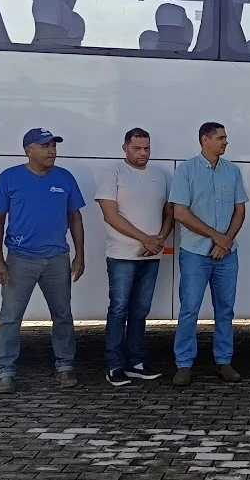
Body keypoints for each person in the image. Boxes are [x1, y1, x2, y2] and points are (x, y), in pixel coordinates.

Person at [0, 128, 86, 394]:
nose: (52, 150)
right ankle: (5, 372)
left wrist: (80, 255)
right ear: (28, 150)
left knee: (62, 315)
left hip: (57, 258)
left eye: (53, 145)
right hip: (20, 259)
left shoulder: (65, 178)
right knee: (10, 317)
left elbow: (75, 218)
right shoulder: (9, 177)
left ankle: (65, 367)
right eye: (45, 145)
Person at [170, 122, 249, 386]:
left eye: (225, 137)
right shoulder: (186, 171)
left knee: (225, 310)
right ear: (205, 139)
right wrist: (217, 237)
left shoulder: (232, 171)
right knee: (189, 309)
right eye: (221, 137)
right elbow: (180, 213)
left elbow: (240, 211)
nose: (226, 141)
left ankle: (223, 361)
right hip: (195, 252)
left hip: (227, 254)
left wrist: (225, 242)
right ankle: (184, 364)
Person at [96, 127, 173, 387]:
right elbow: (111, 215)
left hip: (151, 256)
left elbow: (170, 213)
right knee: (119, 309)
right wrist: (146, 239)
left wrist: (159, 239)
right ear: (125, 148)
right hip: (122, 255)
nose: (142, 153)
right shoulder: (113, 173)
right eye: (137, 148)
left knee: (140, 310)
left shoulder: (161, 176)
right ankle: (115, 364)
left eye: (146, 148)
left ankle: (137, 363)